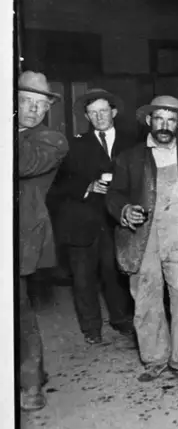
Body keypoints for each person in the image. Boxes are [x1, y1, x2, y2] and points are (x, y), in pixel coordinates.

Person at [105, 95, 178, 383]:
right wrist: (124, 210)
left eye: (170, 119)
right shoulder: (129, 157)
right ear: (148, 121)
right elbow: (114, 195)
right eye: (159, 118)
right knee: (145, 298)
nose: (164, 125)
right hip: (143, 239)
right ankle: (155, 358)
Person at [51, 88, 135, 345]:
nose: (99, 117)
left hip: (116, 221)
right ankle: (91, 328)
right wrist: (86, 187)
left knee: (117, 273)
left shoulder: (132, 142)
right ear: (87, 117)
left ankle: (122, 320)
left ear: (114, 112)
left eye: (103, 111)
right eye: (93, 113)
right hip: (82, 220)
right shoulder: (74, 145)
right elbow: (57, 187)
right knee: (83, 277)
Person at [17, 71, 70, 412]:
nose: (34, 110)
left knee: (17, 309)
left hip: (21, 234)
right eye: (26, 101)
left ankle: (31, 384)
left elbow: (23, 163)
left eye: (41, 104)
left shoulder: (52, 140)